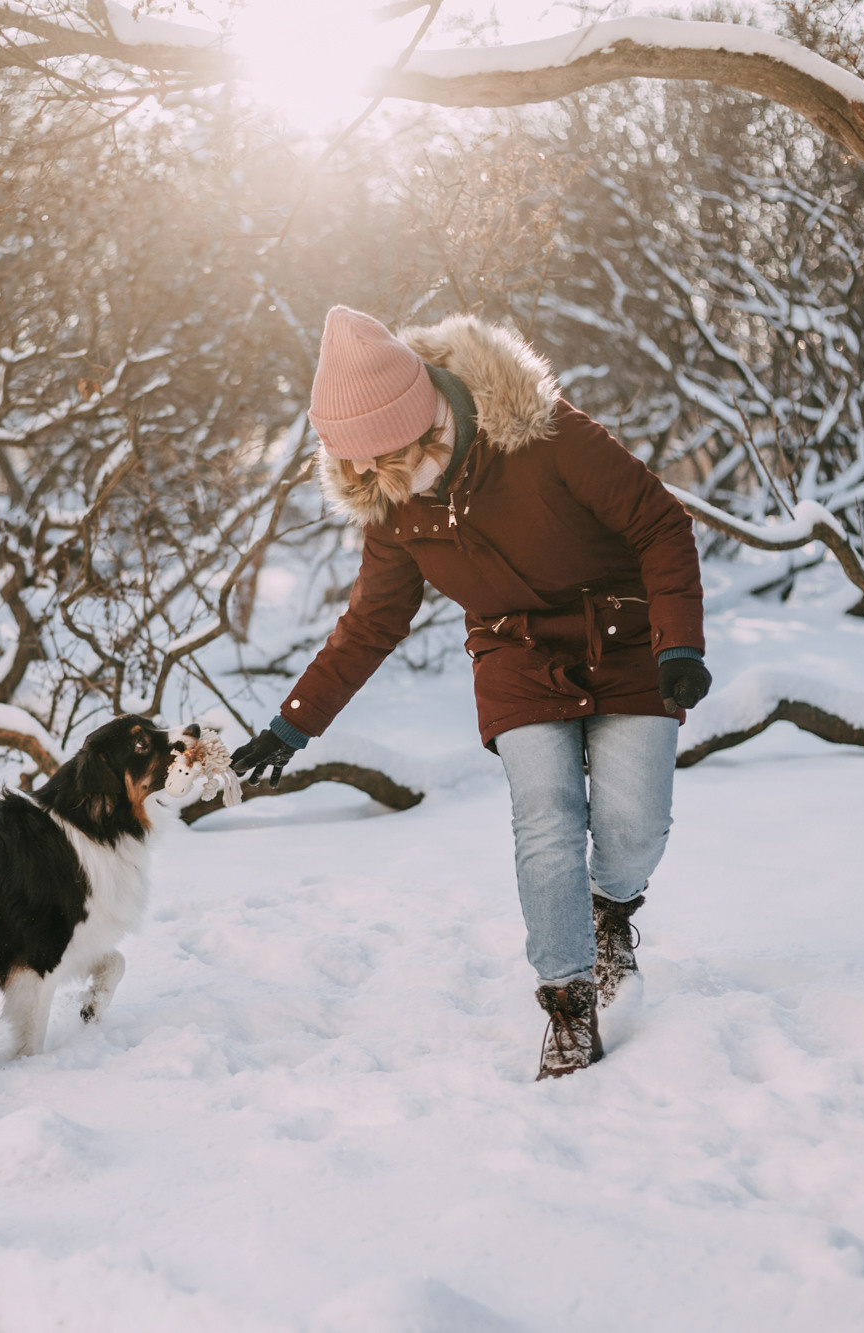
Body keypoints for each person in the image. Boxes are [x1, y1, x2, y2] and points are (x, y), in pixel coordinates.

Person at [230, 307, 710, 1080]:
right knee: (546, 821)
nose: (376, 489)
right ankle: (568, 1003)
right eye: (358, 474)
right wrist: (294, 724)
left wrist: (679, 641)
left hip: (623, 640)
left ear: (423, 425)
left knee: (633, 828)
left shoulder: (548, 438)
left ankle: (611, 911)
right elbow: (372, 621)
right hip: (516, 658)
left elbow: (661, 524)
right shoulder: (389, 501)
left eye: (384, 465)